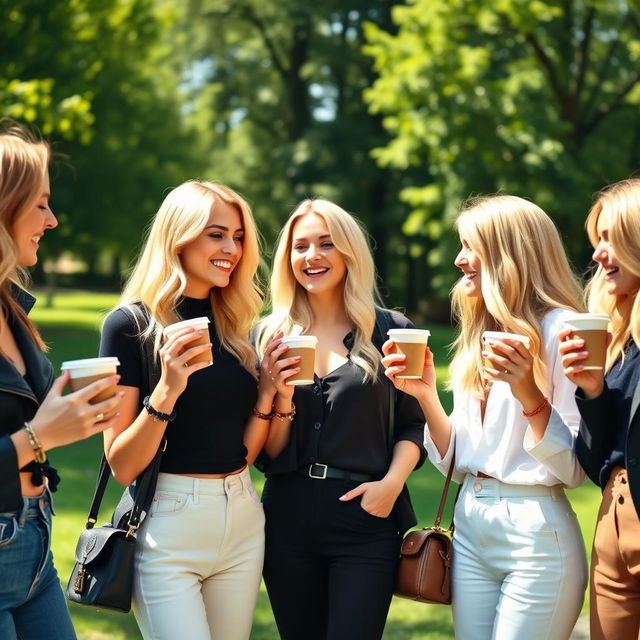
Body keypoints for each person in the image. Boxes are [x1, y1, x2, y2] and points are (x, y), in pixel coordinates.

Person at [383, 195, 588, 640]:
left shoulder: (563, 331)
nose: (459, 260)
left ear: (511, 253)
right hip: (471, 521)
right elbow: (459, 462)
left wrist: (526, 390)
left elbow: (574, 468)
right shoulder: (481, 333)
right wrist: (424, 395)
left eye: (470, 246)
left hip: (535, 532)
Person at [99, 181, 273, 640]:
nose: (231, 249)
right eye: (216, 234)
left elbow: (244, 455)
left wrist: (270, 394)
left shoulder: (238, 327)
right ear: (180, 236)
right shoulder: (129, 326)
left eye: (237, 237)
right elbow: (121, 464)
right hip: (167, 524)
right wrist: (168, 389)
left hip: (241, 516)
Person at [255, 198, 426, 640]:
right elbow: (269, 455)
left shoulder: (390, 330)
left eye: (326, 244)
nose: (311, 256)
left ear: (349, 252)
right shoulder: (268, 336)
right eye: (300, 246)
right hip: (286, 521)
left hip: (367, 523)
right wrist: (278, 393)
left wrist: (390, 486)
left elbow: (413, 424)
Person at [0, 121, 123, 639]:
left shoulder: (12, 309)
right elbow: (31, 434)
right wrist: (40, 436)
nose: (52, 220)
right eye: (40, 204)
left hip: (32, 543)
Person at [559, 179, 640, 640]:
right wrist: (591, 391)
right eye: (596, 240)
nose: (597, 255)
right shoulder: (616, 340)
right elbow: (593, 464)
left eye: (610, 237)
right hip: (612, 524)